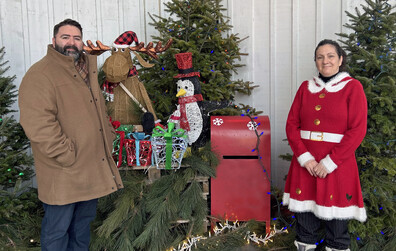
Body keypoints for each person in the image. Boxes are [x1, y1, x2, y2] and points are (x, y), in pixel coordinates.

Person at [18, 19, 123, 250]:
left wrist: (109, 136)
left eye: (76, 38)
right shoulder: (40, 74)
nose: (71, 43)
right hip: (63, 169)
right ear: (54, 40)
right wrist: (65, 153)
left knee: (81, 230)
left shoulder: (86, 69)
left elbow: (97, 109)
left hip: (91, 166)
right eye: (65, 37)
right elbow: (37, 123)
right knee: (57, 231)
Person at [282, 39, 367, 251]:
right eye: (320, 57)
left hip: (338, 167)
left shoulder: (353, 88)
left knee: (337, 230)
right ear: (316, 61)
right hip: (306, 166)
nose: (325, 61)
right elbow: (292, 125)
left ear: (340, 60)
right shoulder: (305, 88)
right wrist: (305, 158)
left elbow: (357, 130)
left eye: (330, 56)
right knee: (305, 227)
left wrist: (330, 162)